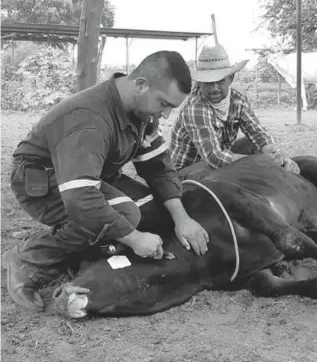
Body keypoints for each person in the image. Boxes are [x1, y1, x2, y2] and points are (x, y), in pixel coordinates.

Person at [7, 51, 209, 312]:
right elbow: (80, 198)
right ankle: (28, 258)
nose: (167, 115)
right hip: (41, 180)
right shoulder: (89, 118)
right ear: (140, 85)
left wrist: (182, 218)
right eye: (164, 104)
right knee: (126, 214)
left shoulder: (141, 112)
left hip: (91, 177)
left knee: (153, 210)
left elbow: (157, 168)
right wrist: (134, 238)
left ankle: (85, 249)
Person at [169, 43, 300, 180]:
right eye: (208, 83)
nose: (214, 88)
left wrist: (276, 154)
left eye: (220, 81)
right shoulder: (195, 108)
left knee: (254, 144)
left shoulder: (237, 100)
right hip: (186, 170)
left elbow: (257, 132)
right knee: (224, 171)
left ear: (230, 79)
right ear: (200, 83)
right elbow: (213, 158)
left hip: (215, 157)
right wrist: (259, 162)